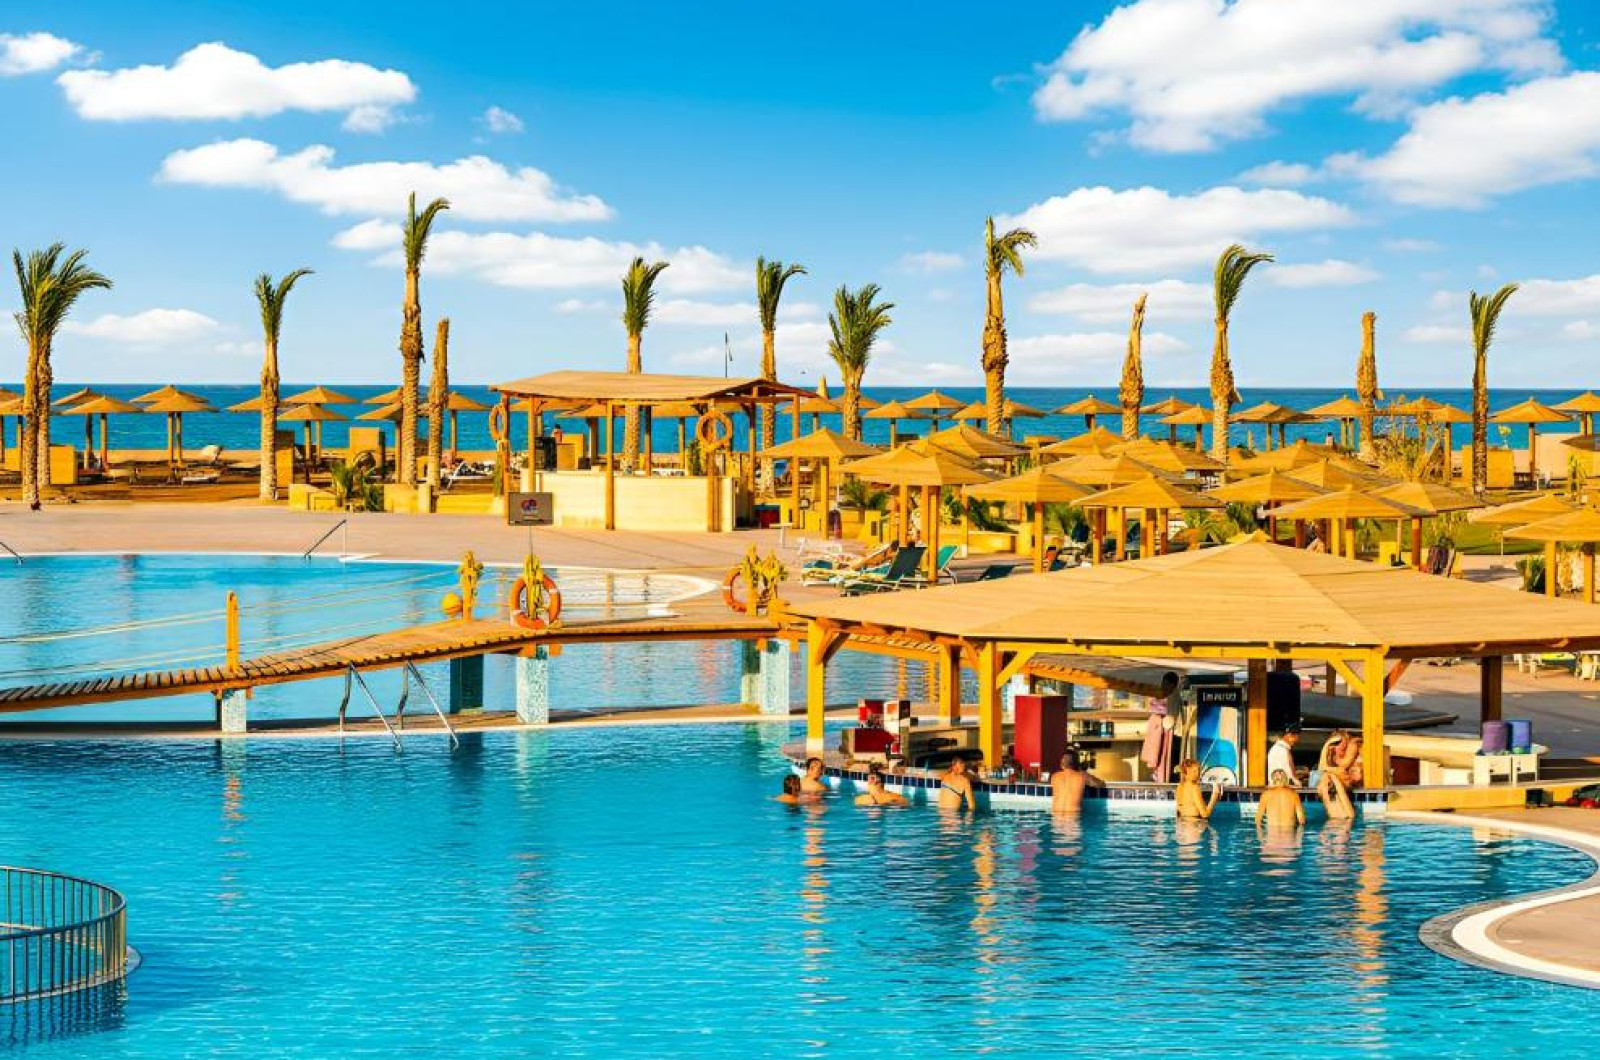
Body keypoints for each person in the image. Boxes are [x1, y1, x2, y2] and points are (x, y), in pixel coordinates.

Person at [1050, 747, 1103, 814]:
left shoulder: (1054, 777)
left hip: (1056, 817)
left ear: (1062, 764)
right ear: (1076, 763)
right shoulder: (1082, 776)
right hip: (1072, 818)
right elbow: (1100, 784)